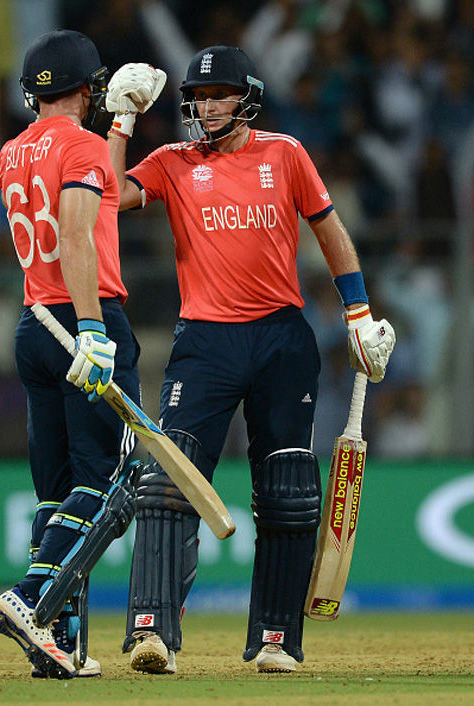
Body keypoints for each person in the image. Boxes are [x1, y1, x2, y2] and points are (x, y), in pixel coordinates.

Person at [106, 46, 395, 674]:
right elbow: (102, 197)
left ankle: (275, 640)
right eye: (199, 98)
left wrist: (359, 312)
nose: (208, 107)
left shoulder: (285, 153)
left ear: (247, 97)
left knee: (288, 492)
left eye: (220, 95)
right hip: (204, 342)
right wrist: (120, 124)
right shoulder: (171, 162)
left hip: (281, 340)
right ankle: (151, 631)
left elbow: (328, 228)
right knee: (169, 482)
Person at [0, 29, 148, 680]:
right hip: (86, 316)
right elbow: (79, 234)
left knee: (56, 492)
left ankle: (59, 643)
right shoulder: (80, 145)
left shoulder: (10, 152)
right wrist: (93, 330)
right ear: (86, 90)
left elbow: (92, 191)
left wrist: (126, 125)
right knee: (102, 482)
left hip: (33, 326)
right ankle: (30, 599)